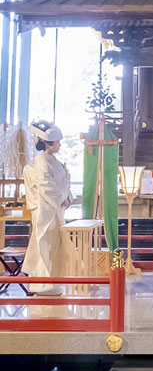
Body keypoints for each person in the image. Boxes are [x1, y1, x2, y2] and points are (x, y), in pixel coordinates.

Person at [22, 120, 72, 295]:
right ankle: (41, 284)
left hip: (55, 209)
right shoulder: (41, 161)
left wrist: (67, 197)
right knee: (44, 244)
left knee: (54, 247)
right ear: (48, 143)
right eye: (57, 142)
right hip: (46, 210)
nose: (59, 145)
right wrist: (61, 199)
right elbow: (46, 185)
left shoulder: (53, 161)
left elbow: (64, 182)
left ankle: (53, 281)